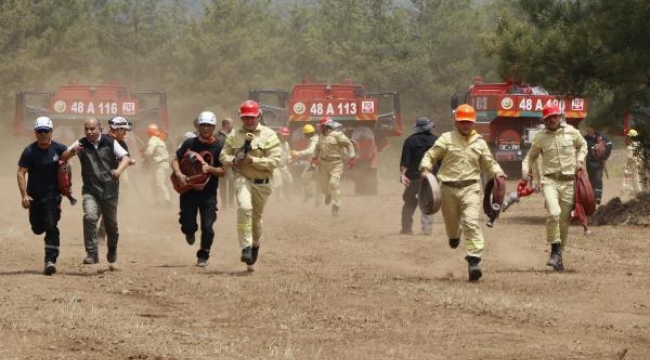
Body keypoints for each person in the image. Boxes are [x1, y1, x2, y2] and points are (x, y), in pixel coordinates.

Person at [419, 104, 506, 282]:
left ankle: (474, 261)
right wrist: (425, 168)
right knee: (452, 226)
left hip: (471, 188)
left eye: (468, 122)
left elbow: (489, 163)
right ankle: (454, 236)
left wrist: (498, 173)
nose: (466, 125)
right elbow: (431, 155)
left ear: (473, 122)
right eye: (462, 122)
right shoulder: (446, 139)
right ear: (456, 122)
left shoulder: (480, 142)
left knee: (470, 221)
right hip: (448, 188)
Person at [521, 103, 587, 272]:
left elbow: (583, 145)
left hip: (569, 182)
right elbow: (529, 158)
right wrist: (525, 171)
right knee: (554, 212)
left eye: (554, 116)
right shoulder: (540, 137)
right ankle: (554, 250)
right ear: (544, 120)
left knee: (564, 221)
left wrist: (580, 160)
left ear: (560, 117)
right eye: (548, 118)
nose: (552, 120)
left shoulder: (572, 132)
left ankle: (559, 256)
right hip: (550, 181)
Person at [219, 100, 282, 268]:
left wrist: (252, 160)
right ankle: (245, 247)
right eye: (245, 117)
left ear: (258, 116)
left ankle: (255, 246)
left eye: (252, 117)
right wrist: (234, 161)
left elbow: (274, 161)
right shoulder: (233, 135)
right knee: (245, 208)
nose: (249, 120)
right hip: (242, 178)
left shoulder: (269, 135)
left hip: (263, 183)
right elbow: (223, 156)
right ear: (241, 117)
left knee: (256, 220)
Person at [60, 117, 131, 265]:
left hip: (110, 190)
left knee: (111, 226)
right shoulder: (81, 143)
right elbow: (63, 157)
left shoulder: (110, 142)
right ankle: (92, 253)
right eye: (86, 129)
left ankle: (112, 248)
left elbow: (125, 158)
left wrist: (118, 170)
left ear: (100, 128)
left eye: (92, 129)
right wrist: (73, 151)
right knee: (90, 217)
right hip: (90, 190)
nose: (89, 132)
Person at [171, 111, 225, 267]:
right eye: (203, 125)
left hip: (209, 194)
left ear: (214, 127)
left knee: (208, 226)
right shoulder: (189, 143)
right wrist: (179, 173)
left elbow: (223, 171)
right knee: (188, 224)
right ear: (198, 126)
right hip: (188, 191)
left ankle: (203, 255)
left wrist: (210, 169)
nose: (206, 128)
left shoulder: (220, 146)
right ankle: (189, 231)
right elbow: (175, 159)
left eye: (209, 125)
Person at [17, 116, 68, 275]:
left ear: (51, 132)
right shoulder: (29, 151)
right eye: (40, 131)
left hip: (52, 196)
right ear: (35, 133)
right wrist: (24, 195)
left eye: (46, 131)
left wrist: (67, 187)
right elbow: (21, 173)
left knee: (51, 226)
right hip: (34, 198)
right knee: (38, 228)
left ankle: (50, 260)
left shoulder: (59, 149)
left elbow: (67, 166)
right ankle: (39, 224)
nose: (43, 134)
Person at [96, 116, 135, 243]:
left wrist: (127, 162)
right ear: (117, 130)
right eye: (123, 130)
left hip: (112, 181)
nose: (125, 133)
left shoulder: (122, 143)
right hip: (98, 179)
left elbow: (126, 159)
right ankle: (91, 232)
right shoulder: (100, 140)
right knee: (96, 208)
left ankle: (101, 233)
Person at [399, 117, 438, 235]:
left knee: (409, 202)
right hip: (432, 179)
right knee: (428, 203)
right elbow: (442, 161)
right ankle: (427, 229)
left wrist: (402, 175)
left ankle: (406, 229)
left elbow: (405, 161)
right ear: (430, 127)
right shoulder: (437, 140)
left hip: (414, 178)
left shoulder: (410, 141)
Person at [312, 117, 356, 217]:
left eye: (321, 126)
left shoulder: (338, 135)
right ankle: (328, 194)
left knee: (333, 184)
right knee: (324, 187)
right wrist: (314, 158)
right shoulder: (320, 137)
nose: (319, 128)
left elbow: (349, 145)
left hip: (336, 164)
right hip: (323, 165)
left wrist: (352, 157)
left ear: (326, 126)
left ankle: (336, 205)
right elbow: (317, 148)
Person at [291, 124, 320, 205]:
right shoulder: (311, 139)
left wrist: (298, 153)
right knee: (304, 177)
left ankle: (318, 200)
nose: (304, 135)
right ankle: (309, 193)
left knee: (319, 182)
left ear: (307, 134)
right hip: (311, 162)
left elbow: (311, 150)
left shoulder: (315, 140)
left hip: (317, 163)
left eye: (304, 134)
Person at [144, 123, 172, 207]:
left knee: (160, 184)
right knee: (155, 183)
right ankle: (157, 201)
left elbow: (149, 152)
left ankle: (167, 201)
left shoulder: (152, 140)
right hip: (161, 165)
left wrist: (144, 154)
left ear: (149, 132)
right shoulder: (158, 140)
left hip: (160, 165)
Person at [584, 126, 613, 205]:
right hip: (589, 163)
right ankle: (592, 196)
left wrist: (604, 156)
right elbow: (578, 146)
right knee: (591, 180)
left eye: (591, 130)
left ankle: (598, 197)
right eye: (588, 130)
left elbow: (610, 144)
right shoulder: (584, 139)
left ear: (594, 130)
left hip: (599, 162)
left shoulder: (600, 137)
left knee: (598, 178)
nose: (589, 131)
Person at [216, 118, 235, 209]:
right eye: (231, 123)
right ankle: (224, 203)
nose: (232, 125)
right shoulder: (218, 136)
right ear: (226, 125)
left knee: (232, 182)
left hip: (232, 163)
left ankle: (231, 202)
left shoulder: (233, 134)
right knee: (223, 184)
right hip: (221, 163)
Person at [272, 126, 293, 201]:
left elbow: (288, 154)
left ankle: (287, 195)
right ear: (279, 135)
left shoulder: (286, 144)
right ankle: (277, 197)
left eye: (286, 135)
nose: (285, 137)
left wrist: (289, 159)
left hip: (284, 166)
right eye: (283, 135)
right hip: (275, 166)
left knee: (289, 180)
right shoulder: (274, 143)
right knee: (278, 183)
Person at [622, 129, 644, 195]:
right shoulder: (638, 143)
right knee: (637, 177)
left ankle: (638, 191)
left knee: (634, 177)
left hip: (633, 163)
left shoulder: (630, 146)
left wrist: (626, 165)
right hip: (639, 162)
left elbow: (630, 157)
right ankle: (637, 190)